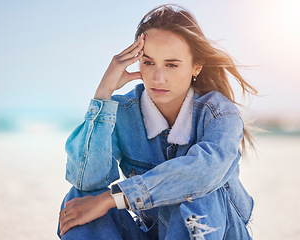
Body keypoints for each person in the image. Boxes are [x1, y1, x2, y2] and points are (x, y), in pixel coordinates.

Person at [58, 4, 257, 240]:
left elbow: (201, 175)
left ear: (197, 66)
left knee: (194, 192)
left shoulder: (219, 114)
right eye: (148, 62)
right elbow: (87, 180)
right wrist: (103, 94)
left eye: (171, 65)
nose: (157, 77)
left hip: (211, 231)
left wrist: (114, 198)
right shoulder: (124, 111)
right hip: (155, 233)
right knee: (81, 196)